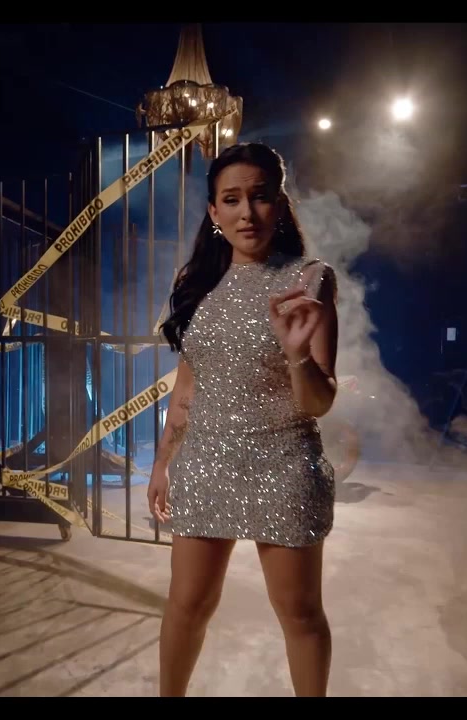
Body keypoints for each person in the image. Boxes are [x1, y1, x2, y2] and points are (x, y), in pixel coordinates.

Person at [148, 141, 339, 697]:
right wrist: (163, 463)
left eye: (259, 196)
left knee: (300, 614)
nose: (246, 213)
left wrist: (297, 356)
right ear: (214, 212)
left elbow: (319, 402)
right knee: (186, 605)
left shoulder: (309, 279)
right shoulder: (195, 284)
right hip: (205, 464)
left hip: (284, 464)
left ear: (279, 203)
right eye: (231, 200)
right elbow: (187, 389)